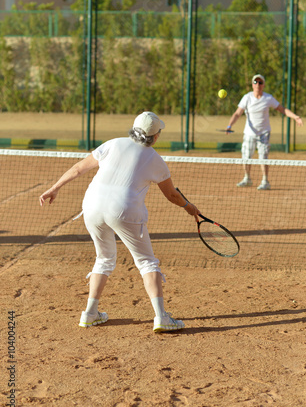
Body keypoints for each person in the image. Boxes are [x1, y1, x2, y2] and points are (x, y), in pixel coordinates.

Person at [39, 111, 200, 333]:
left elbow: (78, 168)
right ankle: (162, 317)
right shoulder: (155, 159)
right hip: (125, 210)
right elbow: (172, 195)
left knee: (104, 258)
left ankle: (90, 313)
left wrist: (54, 188)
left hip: (92, 206)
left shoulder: (112, 144)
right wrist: (189, 207)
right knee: (146, 262)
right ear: (155, 136)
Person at [226, 74, 303, 190]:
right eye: (255, 82)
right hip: (249, 133)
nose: (258, 85)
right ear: (252, 85)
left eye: (260, 82)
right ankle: (247, 178)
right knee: (246, 156)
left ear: (263, 85)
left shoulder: (268, 98)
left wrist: (295, 117)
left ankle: (265, 181)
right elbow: (237, 113)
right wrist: (229, 125)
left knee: (263, 157)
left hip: (264, 133)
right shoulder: (247, 98)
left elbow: (282, 109)